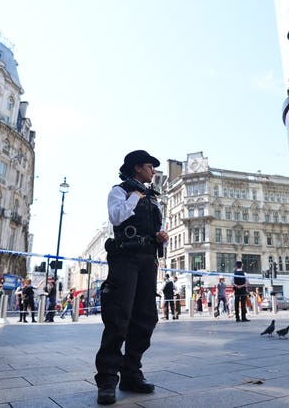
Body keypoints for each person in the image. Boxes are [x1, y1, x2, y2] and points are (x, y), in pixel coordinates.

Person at [95, 150, 169, 405]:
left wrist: (160, 236)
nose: (153, 172)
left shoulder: (153, 197)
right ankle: (106, 380)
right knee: (118, 317)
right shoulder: (121, 191)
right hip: (125, 259)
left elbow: (154, 226)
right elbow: (116, 217)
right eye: (150, 167)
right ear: (138, 168)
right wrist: (135, 196)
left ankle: (131, 373)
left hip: (148, 260)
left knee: (146, 317)